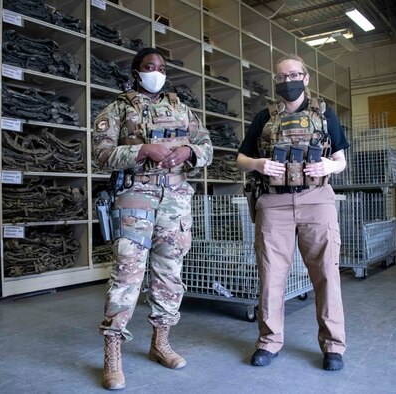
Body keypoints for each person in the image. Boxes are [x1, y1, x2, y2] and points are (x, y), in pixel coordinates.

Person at [92, 47, 213, 390]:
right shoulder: (117, 109)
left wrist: (189, 152)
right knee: (127, 273)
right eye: (149, 66)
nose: (156, 72)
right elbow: (101, 153)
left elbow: (206, 145)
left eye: (161, 67)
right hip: (135, 195)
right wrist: (142, 150)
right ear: (136, 71)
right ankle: (112, 352)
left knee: (169, 272)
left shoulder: (181, 108)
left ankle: (160, 343)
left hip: (175, 199)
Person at [236, 54, 349, 371]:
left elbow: (341, 160)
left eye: (294, 75)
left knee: (326, 274)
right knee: (271, 276)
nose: (288, 81)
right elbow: (241, 159)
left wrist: (329, 165)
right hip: (274, 202)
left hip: (317, 199)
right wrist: (258, 164)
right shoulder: (264, 118)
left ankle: (333, 347)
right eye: (281, 77)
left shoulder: (325, 116)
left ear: (306, 78)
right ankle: (269, 342)